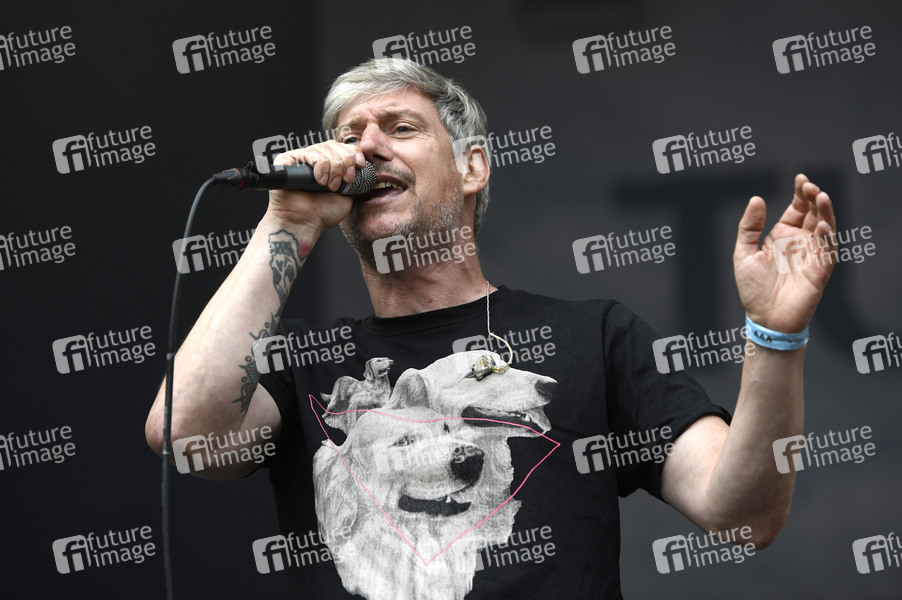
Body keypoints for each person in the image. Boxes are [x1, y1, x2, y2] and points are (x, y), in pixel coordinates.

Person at [145, 58, 837, 599]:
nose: (368, 148)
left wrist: (775, 338)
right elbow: (183, 433)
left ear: (471, 166)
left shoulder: (593, 337)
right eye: (350, 138)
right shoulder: (309, 363)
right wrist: (286, 223)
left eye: (401, 128)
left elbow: (743, 516)